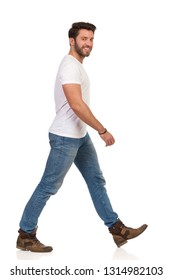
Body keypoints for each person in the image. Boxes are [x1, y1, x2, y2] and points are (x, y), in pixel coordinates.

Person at [17, 22, 148, 253]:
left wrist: (91, 131)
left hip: (79, 136)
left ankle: (117, 229)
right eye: (83, 39)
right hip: (65, 138)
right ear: (72, 41)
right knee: (49, 185)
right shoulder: (69, 66)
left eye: (91, 39)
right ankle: (26, 234)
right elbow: (77, 105)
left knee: (96, 181)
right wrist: (102, 129)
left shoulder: (77, 66)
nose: (88, 43)